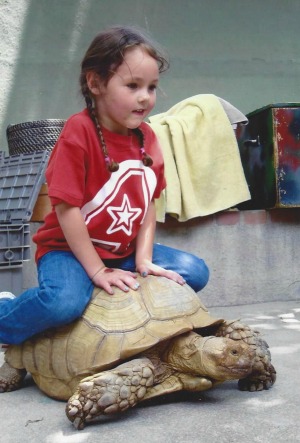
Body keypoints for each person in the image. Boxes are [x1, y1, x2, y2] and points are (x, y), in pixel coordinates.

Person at [0, 25, 209, 348]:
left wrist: (143, 260)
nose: (145, 97)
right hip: (66, 249)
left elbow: (148, 205)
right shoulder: (78, 132)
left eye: (152, 87)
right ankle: (6, 311)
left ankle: (108, 286)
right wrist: (96, 271)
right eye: (133, 85)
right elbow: (67, 210)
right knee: (63, 303)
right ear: (95, 83)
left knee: (194, 271)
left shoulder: (148, 139)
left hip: (121, 253)